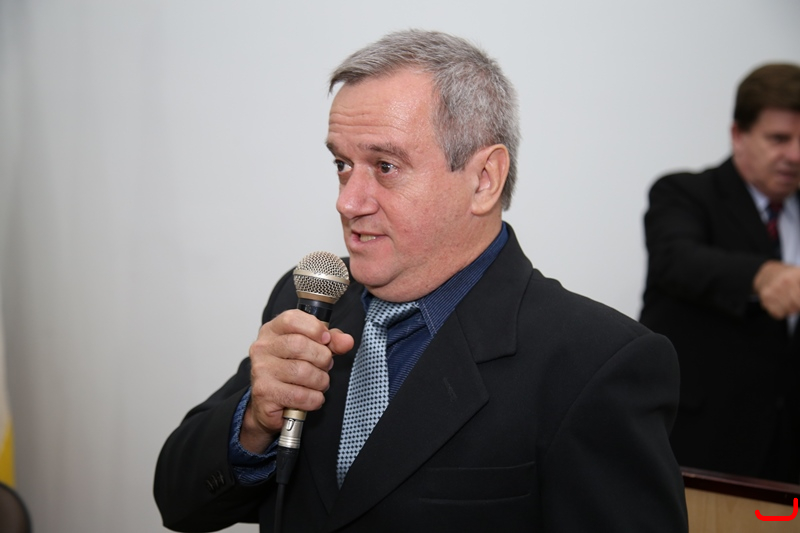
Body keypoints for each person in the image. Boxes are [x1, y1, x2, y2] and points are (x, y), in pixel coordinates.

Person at [154, 29, 688, 532]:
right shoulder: (310, 299)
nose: (347, 201)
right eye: (342, 165)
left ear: (484, 180)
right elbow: (179, 502)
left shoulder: (595, 362)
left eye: (385, 166)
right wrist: (254, 423)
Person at [639, 63, 800, 484]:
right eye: (779, 139)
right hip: (700, 443)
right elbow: (677, 258)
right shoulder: (685, 193)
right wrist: (762, 276)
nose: (795, 155)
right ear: (738, 135)